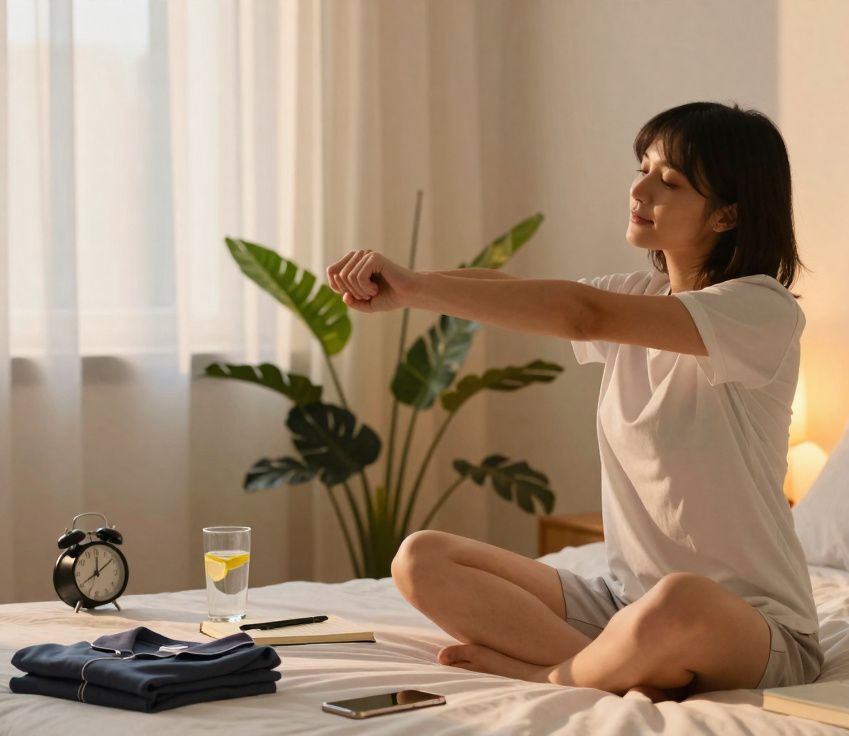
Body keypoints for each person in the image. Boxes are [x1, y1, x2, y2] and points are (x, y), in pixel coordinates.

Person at [324, 101, 821, 703]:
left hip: (750, 627)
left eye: (669, 182)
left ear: (727, 214)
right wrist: (407, 289)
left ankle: (553, 676)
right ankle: (619, 665)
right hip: (622, 604)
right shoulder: (641, 295)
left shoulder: (761, 310)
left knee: (680, 599)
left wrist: (416, 286)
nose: (639, 189)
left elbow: (583, 315)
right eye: (643, 168)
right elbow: (520, 294)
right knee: (420, 558)